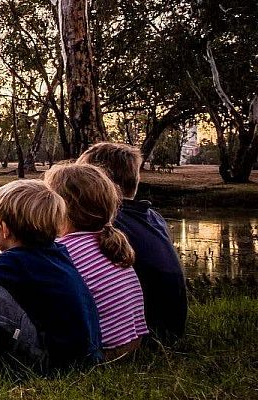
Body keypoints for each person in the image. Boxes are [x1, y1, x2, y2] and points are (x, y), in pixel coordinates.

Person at [0, 179, 101, 380]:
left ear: (4, 228)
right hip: (82, 359)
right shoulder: (55, 253)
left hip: (54, 365)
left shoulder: (17, 260)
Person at [79, 142, 187, 344]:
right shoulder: (153, 217)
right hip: (171, 328)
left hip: (137, 334)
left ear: (99, 183)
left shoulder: (106, 224)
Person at [44, 163, 149, 359]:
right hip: (129, 346)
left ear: (58, 207)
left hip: (99, 352)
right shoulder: (110, 244)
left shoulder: (63, 251)